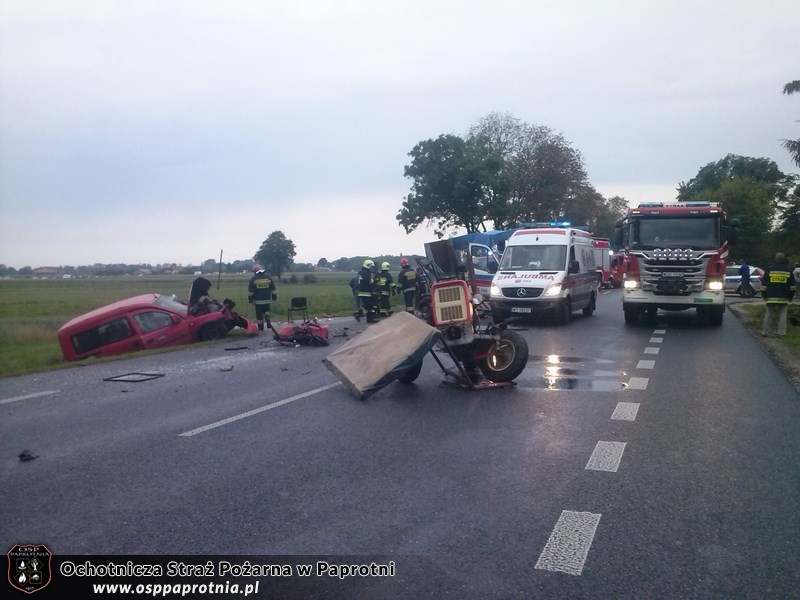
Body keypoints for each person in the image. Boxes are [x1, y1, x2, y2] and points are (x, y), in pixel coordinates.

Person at [760, 252, 797, 337]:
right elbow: (792, 287)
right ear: (784, 260)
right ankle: (781, 333)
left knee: (769, 314)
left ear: (775, 259)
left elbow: (763, 285)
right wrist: (790, 297)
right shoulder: (788, 271)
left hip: (770, 297)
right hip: (784, 297)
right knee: (783, 315)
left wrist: (764, 296)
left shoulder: (769, 270)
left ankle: (765, 332)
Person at [248, 263, 277, 331]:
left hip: (258, 302)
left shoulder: (253, 279)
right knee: (267, 310)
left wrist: (250, 299)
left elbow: (251, 292)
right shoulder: (268, 278)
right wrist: (274, 296)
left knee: (259, 315)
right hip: (267, 300)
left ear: (255, 271)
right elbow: (273, 289)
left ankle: (261, 328)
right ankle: (267, 314)